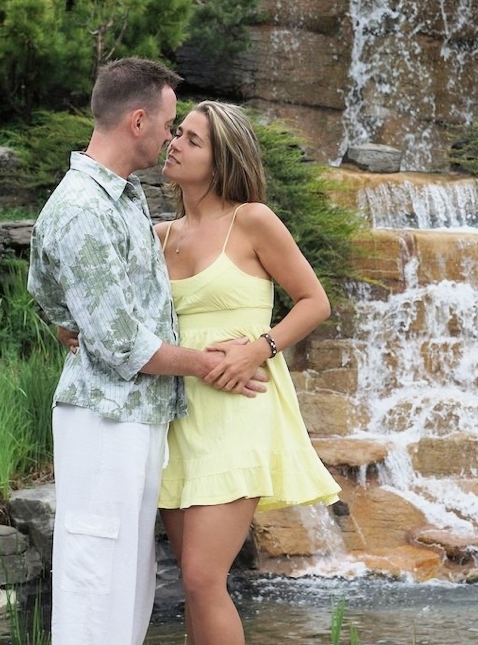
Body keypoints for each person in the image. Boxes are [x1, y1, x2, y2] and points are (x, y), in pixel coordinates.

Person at [27, 59, 265, 645]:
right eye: (166, 125)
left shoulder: (124, 197)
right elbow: (121, 345)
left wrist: (67, 321)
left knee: (126, 588)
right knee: (94, 581)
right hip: (104, 419)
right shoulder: (84, 207)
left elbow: (41, 285)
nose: (169, 139)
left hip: (139, 416)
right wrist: (209, 362)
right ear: (137, 121)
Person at [154, 100, 342, 644]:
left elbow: (313, 301)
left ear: (220, 161)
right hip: (178, 417)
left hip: (239, 408)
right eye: (178, 133)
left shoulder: (252, 220)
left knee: (201, 575)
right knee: (194, 586)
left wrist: (260, 347)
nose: (175, 143)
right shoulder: (158, 236)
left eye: (192, 140)